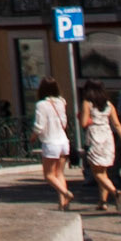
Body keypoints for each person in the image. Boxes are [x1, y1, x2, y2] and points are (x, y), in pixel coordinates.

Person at [79, 80, 121, 212]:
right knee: (104, 171)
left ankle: (115, 192)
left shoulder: (87, 103)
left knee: (97, 172)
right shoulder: (109, 105)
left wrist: (88, 119)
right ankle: (103, 201)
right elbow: (117, 124)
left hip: (95, 137)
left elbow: (84, 123)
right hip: (107, 137)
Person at [33, 77, 74, 210]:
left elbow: (39, 126)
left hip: (51, 143)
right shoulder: (61, 102)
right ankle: (63, 203)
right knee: (60, 174)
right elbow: (65, 122)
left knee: (49, 175)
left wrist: (33, 136)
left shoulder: (41, 105)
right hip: (63, 142)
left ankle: (65, 193)